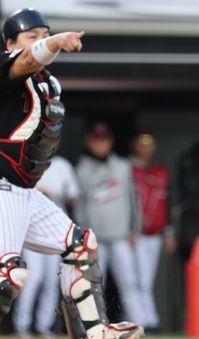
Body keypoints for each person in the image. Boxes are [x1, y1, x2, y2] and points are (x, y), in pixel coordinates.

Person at [0, 8, 143, 339]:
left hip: (21, 190)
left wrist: (47, 44)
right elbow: (23, 62)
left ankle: (96, 334)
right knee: (6, 275)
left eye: (44, 34)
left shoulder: (46, 83)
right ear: (10, 42)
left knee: (81, 246)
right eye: (31, 36)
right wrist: (52, 43)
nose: (40, 41)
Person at [75, 122, 146, 326]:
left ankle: (138, 323)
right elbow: (79, 206)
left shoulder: (122, 167)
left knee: (130, 282)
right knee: (93, 284)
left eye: (104, 139)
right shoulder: (82, 169)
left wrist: (134, 229)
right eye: (96, 139)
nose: (100, 144)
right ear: (89, 141)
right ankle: (94, 324)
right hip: (95, 239)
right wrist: (82, 236)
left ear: (111, 141)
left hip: (120, 236)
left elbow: (134, 200)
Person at [13, 155, 80, 336]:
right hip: (31, 228)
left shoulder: (62, 164)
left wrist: (53, 194)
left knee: (52, 280)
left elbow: (73, 195)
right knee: (33, 278)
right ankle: (22, 324)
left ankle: (44, 324)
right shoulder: (25, 160)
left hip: (54, 227)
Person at [130, 130, 175, 332]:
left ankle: (147, 319)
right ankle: (145, 320)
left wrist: (169, 232)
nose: (145, 148)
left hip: (155, 234)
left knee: (146, 280)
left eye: (149, 144)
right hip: (134, 234)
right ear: (135, 146)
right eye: (141, 143)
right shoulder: (128, 169)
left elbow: (169, 203)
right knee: (136, 280)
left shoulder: (161, 172)